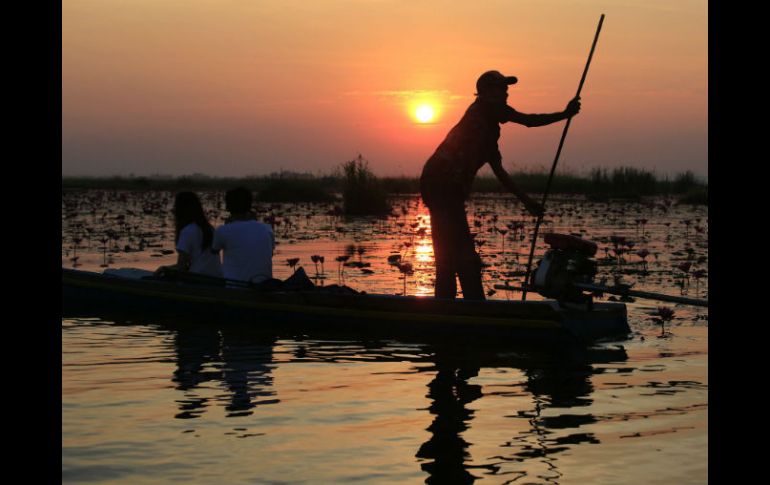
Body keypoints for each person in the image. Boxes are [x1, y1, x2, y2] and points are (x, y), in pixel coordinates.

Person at [420, 70, 581, 300]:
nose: (505, 93)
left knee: (456, 256)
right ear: (485, 93)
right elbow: (528, 121)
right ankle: (463, 309)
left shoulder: (488, 132)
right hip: (440, 184)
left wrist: (527, 203)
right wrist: (565, 114)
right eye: (500, 88)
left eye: (506, 89)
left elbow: (501, 174)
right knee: (459, 256)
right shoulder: (483, 108)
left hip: (444, 188)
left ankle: (462, 306)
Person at [211, 187, 275, 284]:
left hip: (234, 287)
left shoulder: (223, 230)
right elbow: (269, 254)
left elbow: (213, 252)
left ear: (228, 206)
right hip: (265, 285)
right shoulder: (267, 229)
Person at [156, 191, 223, 278]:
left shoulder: (188, 231)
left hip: (198, 279)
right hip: (217, 278)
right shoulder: (210, 228)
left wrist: (164, 269)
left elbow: (181, 268)